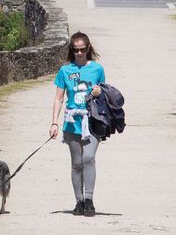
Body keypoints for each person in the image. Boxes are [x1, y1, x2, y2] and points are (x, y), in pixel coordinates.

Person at [49, 32, 105, 217]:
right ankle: (79, 201)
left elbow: (105, 94)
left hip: (92, 121)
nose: (79, 53)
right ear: (71, 50)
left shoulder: (97, 69)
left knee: (88, 158)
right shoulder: (65, 71)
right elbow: (58, 99)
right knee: (77, 164)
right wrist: (54, 123)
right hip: (72, 123)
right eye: (76, 50)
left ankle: (89, 199)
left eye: (83, 49)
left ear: (88, 49)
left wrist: (99, 91)